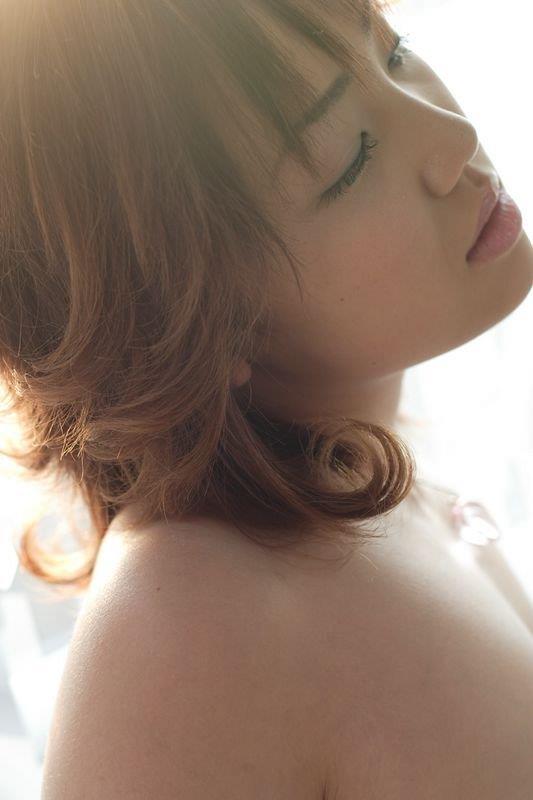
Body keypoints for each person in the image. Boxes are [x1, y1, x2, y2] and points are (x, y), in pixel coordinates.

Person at [1, 0, 531, 797]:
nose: (451, 135)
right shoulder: (188, 620)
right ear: (188, 319)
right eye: (349, 160)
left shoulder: (389, 496)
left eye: (394, 54)